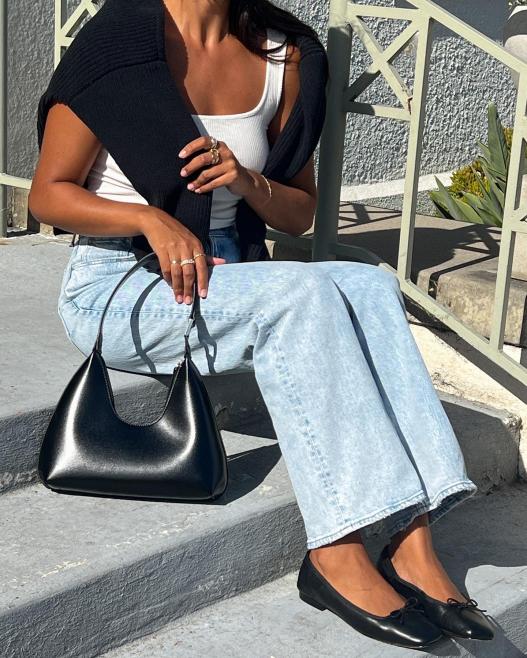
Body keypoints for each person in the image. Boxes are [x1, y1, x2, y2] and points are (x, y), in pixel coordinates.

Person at [29, 0, 494, 649]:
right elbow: (46, 192)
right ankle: (336, 549)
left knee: (364, 282)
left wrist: (248, 180)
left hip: (228, 275)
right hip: (117, 283)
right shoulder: (118, 45)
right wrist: (150, 219)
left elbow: (298, 213)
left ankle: (413, 541)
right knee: (301, 296)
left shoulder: (287, 56)